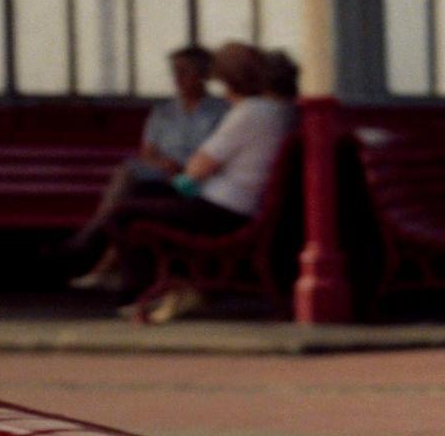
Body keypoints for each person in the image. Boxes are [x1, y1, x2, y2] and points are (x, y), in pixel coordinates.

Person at [99, 44, 296, 324]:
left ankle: (142, 290)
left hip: (222, 210)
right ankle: (169, 281)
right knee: (144, 192)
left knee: (123, 213)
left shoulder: (250, 112)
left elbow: (197, 168)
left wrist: (184, 180)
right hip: (241, 204)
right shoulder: (283, 111)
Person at [66, 43, 227, 288]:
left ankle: (94, 244)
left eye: (185, 71)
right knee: (130, 181)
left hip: (196, 184)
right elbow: (147, 152)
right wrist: (166, 163)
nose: (178, 78)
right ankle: (105, 260)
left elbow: (218, 153)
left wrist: (186, 168)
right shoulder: (164, 112)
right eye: (175, 71)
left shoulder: (220, 111)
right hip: (163, 176)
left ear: (203, 75)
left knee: (129, 195)